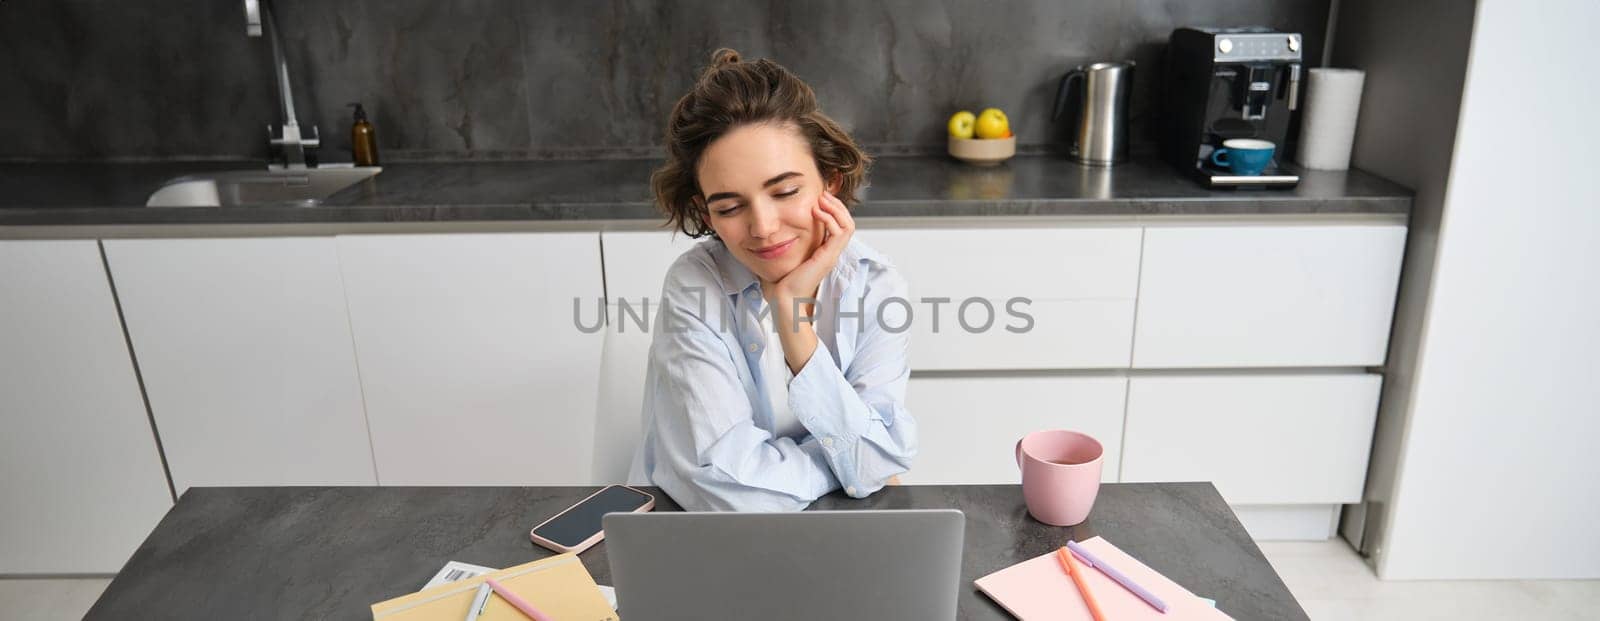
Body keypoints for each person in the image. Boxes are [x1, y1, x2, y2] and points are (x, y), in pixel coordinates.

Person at [631, 48, 916, 512]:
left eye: (784, 192)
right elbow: (731, 493)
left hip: (841, 538)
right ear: (707, 215)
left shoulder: (875, 285)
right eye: (729, 207)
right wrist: (849, 466)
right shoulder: (693, 286)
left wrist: (794, 327)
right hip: (698, 538)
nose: (762, 227)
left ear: (831, 182)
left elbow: (872, 468)